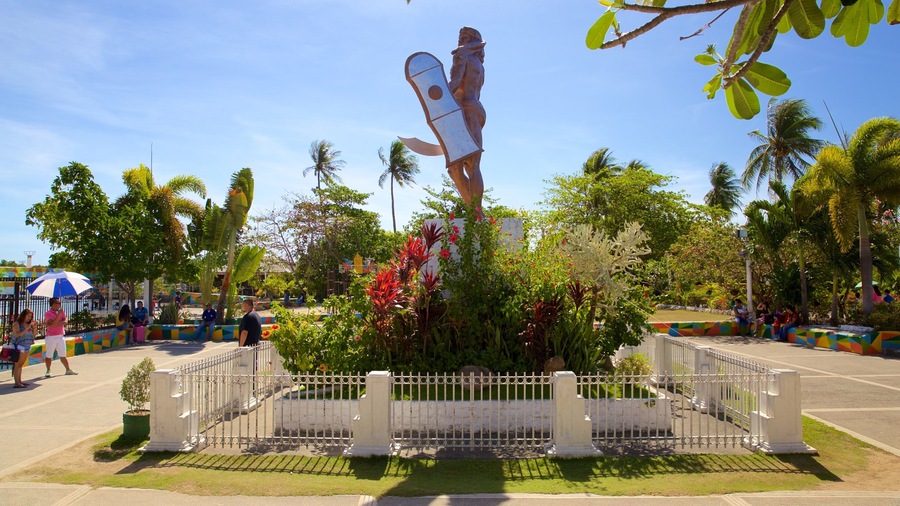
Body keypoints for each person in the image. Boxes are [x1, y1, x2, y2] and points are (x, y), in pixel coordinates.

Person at [446, 26, 486, 215]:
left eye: (463, 37)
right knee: (471, 165)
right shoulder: (480, 65)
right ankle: (477, 213)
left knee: (456, 167)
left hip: (464, 111)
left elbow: (454, 85)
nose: (460, 41)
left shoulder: (462, 56)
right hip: (477, 111)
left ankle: (476, 213)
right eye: (459, 37)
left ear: (471, 40)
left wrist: (436, 92)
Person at [44, 297, 77, 377]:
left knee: (63, 354)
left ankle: (68, 369)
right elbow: (54, 323)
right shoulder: (48, 313)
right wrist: (58, 317)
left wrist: (58, 322)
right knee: (49, 354)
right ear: (53, 304)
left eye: (60, 303)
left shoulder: (62, 312)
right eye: (58, 303)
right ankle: (48, 370)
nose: (59, 305)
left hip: (60, 335)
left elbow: (65, 321)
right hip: (51, 336)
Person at [10, 309, 36, 388]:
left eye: (30, 317)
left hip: (27, 345)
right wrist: (26, 329)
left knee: (21, 364)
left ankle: (20, 381)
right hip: (19, 346)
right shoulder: (17, 324)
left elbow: (33, 335)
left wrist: (34, 328)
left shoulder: (28, 324)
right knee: (17, 364)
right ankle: (17, 382)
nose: (29, 318)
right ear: (23, 315)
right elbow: (17, 334)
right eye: (28, 316)